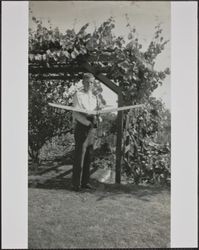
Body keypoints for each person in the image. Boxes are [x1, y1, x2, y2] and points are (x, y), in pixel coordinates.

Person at [72, 73, 98, 191]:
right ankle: (76, 184)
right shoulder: (78, 95)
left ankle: (85, 182)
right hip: (82, 126)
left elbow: (94, 112)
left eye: (92, 82)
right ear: (83, 82)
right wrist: (87, 123)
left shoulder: (94, 97)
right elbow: (76, 113)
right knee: (80, 155)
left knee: (89, 155)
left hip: (91, 128)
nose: (89, 84)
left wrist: (97, 119)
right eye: (87, 82)